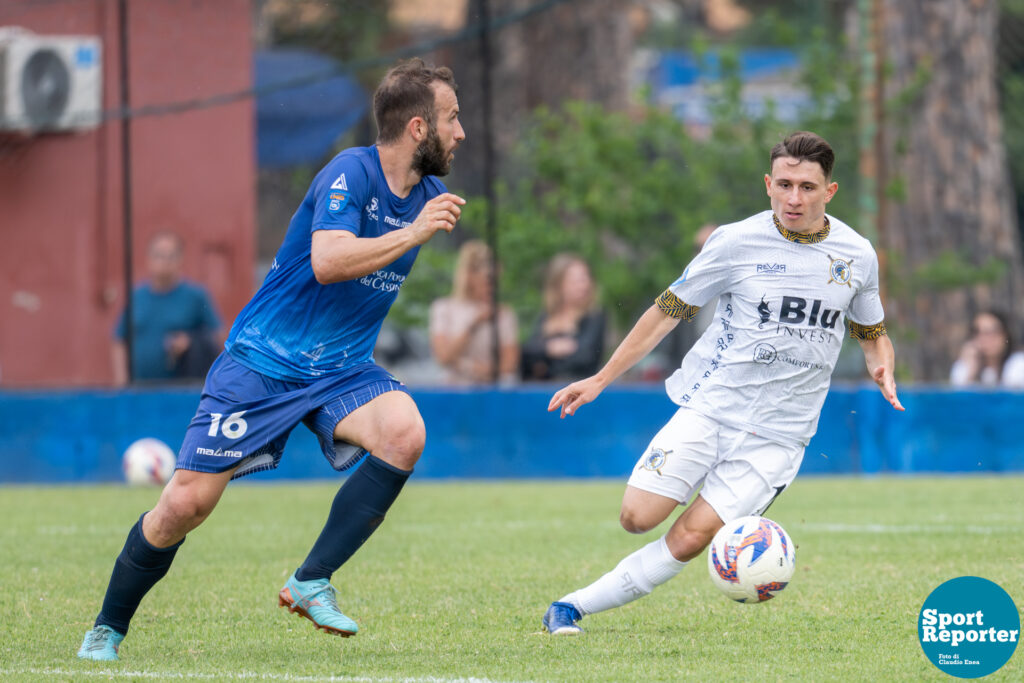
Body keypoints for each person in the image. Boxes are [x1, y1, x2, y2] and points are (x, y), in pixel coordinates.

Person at [78, 57, 466, 661]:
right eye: (452, 118)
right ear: (418, 128)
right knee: (184, 505)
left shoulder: (430, 194)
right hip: (264, 361)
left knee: (404, 432)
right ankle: (107, 627)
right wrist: (412, 234)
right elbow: (327, 261)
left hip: (340, 368)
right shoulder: (350, 173)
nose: (461, 132)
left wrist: (414, 227)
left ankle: (311, 580)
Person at [540, 131, 904, 635]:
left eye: (807, 187)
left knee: (690, 539)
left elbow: (872, 333)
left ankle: (570, 608)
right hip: (712, 408)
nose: (794, 198)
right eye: (784, 185)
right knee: (637, 517)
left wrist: (881, 363)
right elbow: (665, 313)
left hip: (779, 436)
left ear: (830, 191)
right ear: (767, 185)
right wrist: (602, 378)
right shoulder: (735, 241)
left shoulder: (856, 255)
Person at [112, 232, 221, 385]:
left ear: (181, 260)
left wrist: (190, 341)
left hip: (181, 390)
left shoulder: (195, 296)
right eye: (159, 255)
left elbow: (216, 336)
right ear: (149, 260)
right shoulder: (137, 297)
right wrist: (121, 382)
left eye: (171, 256)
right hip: (139, 389)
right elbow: (120, 339)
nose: (165, 262)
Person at [429, 239, 519, 384]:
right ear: (469, 276)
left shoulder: (504, 313)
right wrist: (474, 324)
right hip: (453, 390)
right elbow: (443, 357)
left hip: (490, 392)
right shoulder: (443, 308)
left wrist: (467, 367)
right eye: (488, 280)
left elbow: (508, 364)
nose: (492, 287)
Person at [520, 253, 605, 381]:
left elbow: (586, 357)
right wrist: (549, 349)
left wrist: (545, 364)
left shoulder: (595, 316)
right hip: (544, 390)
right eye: (576, 280)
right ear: (559, 284)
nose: (584, 285)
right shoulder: (546, 316)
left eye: (585, 278)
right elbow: (527, 353)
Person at [950, 310, 1024, 388]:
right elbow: (959, 398)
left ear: (1005, 335)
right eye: (978, 332)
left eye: (992, 332)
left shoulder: (1018, 363)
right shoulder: (965, 366)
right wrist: (971, 373)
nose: (985, 339)